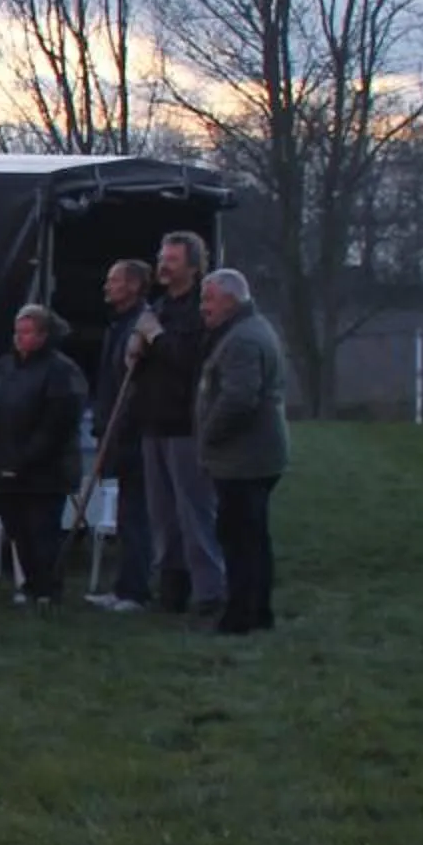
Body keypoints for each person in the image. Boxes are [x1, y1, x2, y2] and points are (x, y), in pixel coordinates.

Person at [0, 305, 91, 605]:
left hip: (45, 470)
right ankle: (29, 585)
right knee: (17, 529)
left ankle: (49, 588)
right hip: (3, 463)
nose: (19, 338)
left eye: (26, 333)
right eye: (17, 332)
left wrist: (26, 458)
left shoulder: (61, 370)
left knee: (41, 529)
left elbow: (58, 422)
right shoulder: (3, 366)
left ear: (44, 335)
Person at [132, 232, 226, 619]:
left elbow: (189, 360)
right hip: (153, 421)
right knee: (163, 515)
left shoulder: (198, 311)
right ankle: (171, 590)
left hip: (186, 424)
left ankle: (210, 593)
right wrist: (136, 348)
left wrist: (157, 337)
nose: (163, 264)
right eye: (161, 256)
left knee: (195, 512)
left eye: (171, 259)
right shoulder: (159, 306)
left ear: (192, 265)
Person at [196, 267, 290, 634]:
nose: (203, 307)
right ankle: (259, 612)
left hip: (245, 458)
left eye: (208, 299)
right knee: (252, 537)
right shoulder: (249, 330)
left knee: (239, 539)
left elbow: (238, 398)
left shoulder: (242, 340)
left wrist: (208, 434)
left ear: (230, 300)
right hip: (255, 455)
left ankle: (239, 618)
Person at [86, 259, 155, 611]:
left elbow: (138, 384)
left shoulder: (144, 324)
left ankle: (136, 591)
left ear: (132, 286)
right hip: (116, 432)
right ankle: (124, 586)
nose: (107, 286)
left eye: (114, 281)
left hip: (135, 434)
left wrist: (123, 428)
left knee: (137, 514)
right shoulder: (118, 326)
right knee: (127, 514)